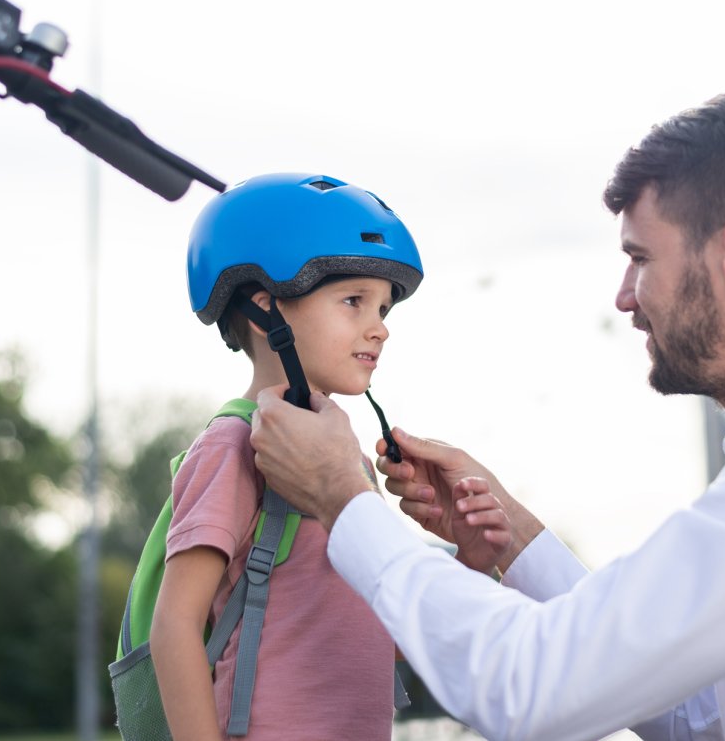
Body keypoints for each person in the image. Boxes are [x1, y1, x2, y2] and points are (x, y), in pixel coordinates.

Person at [249, 88, 725, 739]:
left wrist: (344, 496)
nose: (625, 296)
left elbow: (528, 689)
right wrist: (513, 533)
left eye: (641, 257)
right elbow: (703, 716)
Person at [151, 172, 514, 740]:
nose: (380, 329)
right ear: (264, 308)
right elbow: (174, 627)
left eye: (384, 310)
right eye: (353, 301)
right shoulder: (233, 446)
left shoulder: (346, 464)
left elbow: (376, 635)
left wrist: (469, 559)